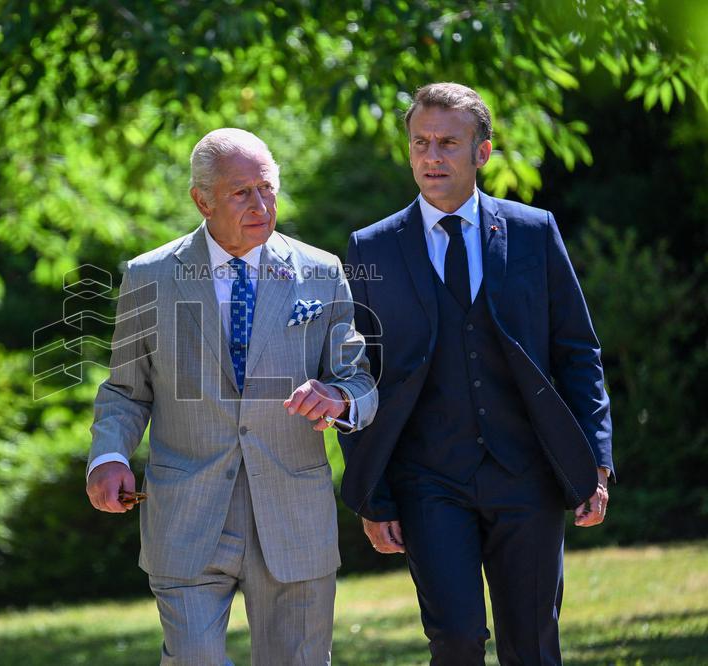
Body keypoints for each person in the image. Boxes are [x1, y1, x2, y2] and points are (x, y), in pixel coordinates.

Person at [339, 83, 614, 665]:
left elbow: (577, 352)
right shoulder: (371, 248)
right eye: (420, 143)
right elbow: (360, 373)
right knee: (457, 639)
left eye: (448, 143)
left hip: (527, 474)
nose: (432, 157)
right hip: (428, 480)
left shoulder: (535, 232)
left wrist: (596, 459)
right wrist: (375, 494)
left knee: (533, 644)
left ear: (482, 152)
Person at [86, 128, 378, 665]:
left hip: (292, 517)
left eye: (267, 189)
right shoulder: (151, 277)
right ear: (203, 199)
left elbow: (359, 379)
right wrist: (108, 456)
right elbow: (126, 390)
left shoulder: (321, 271)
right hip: (187, 515)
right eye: (242, 192)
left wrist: (337, 397)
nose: (261, 205)